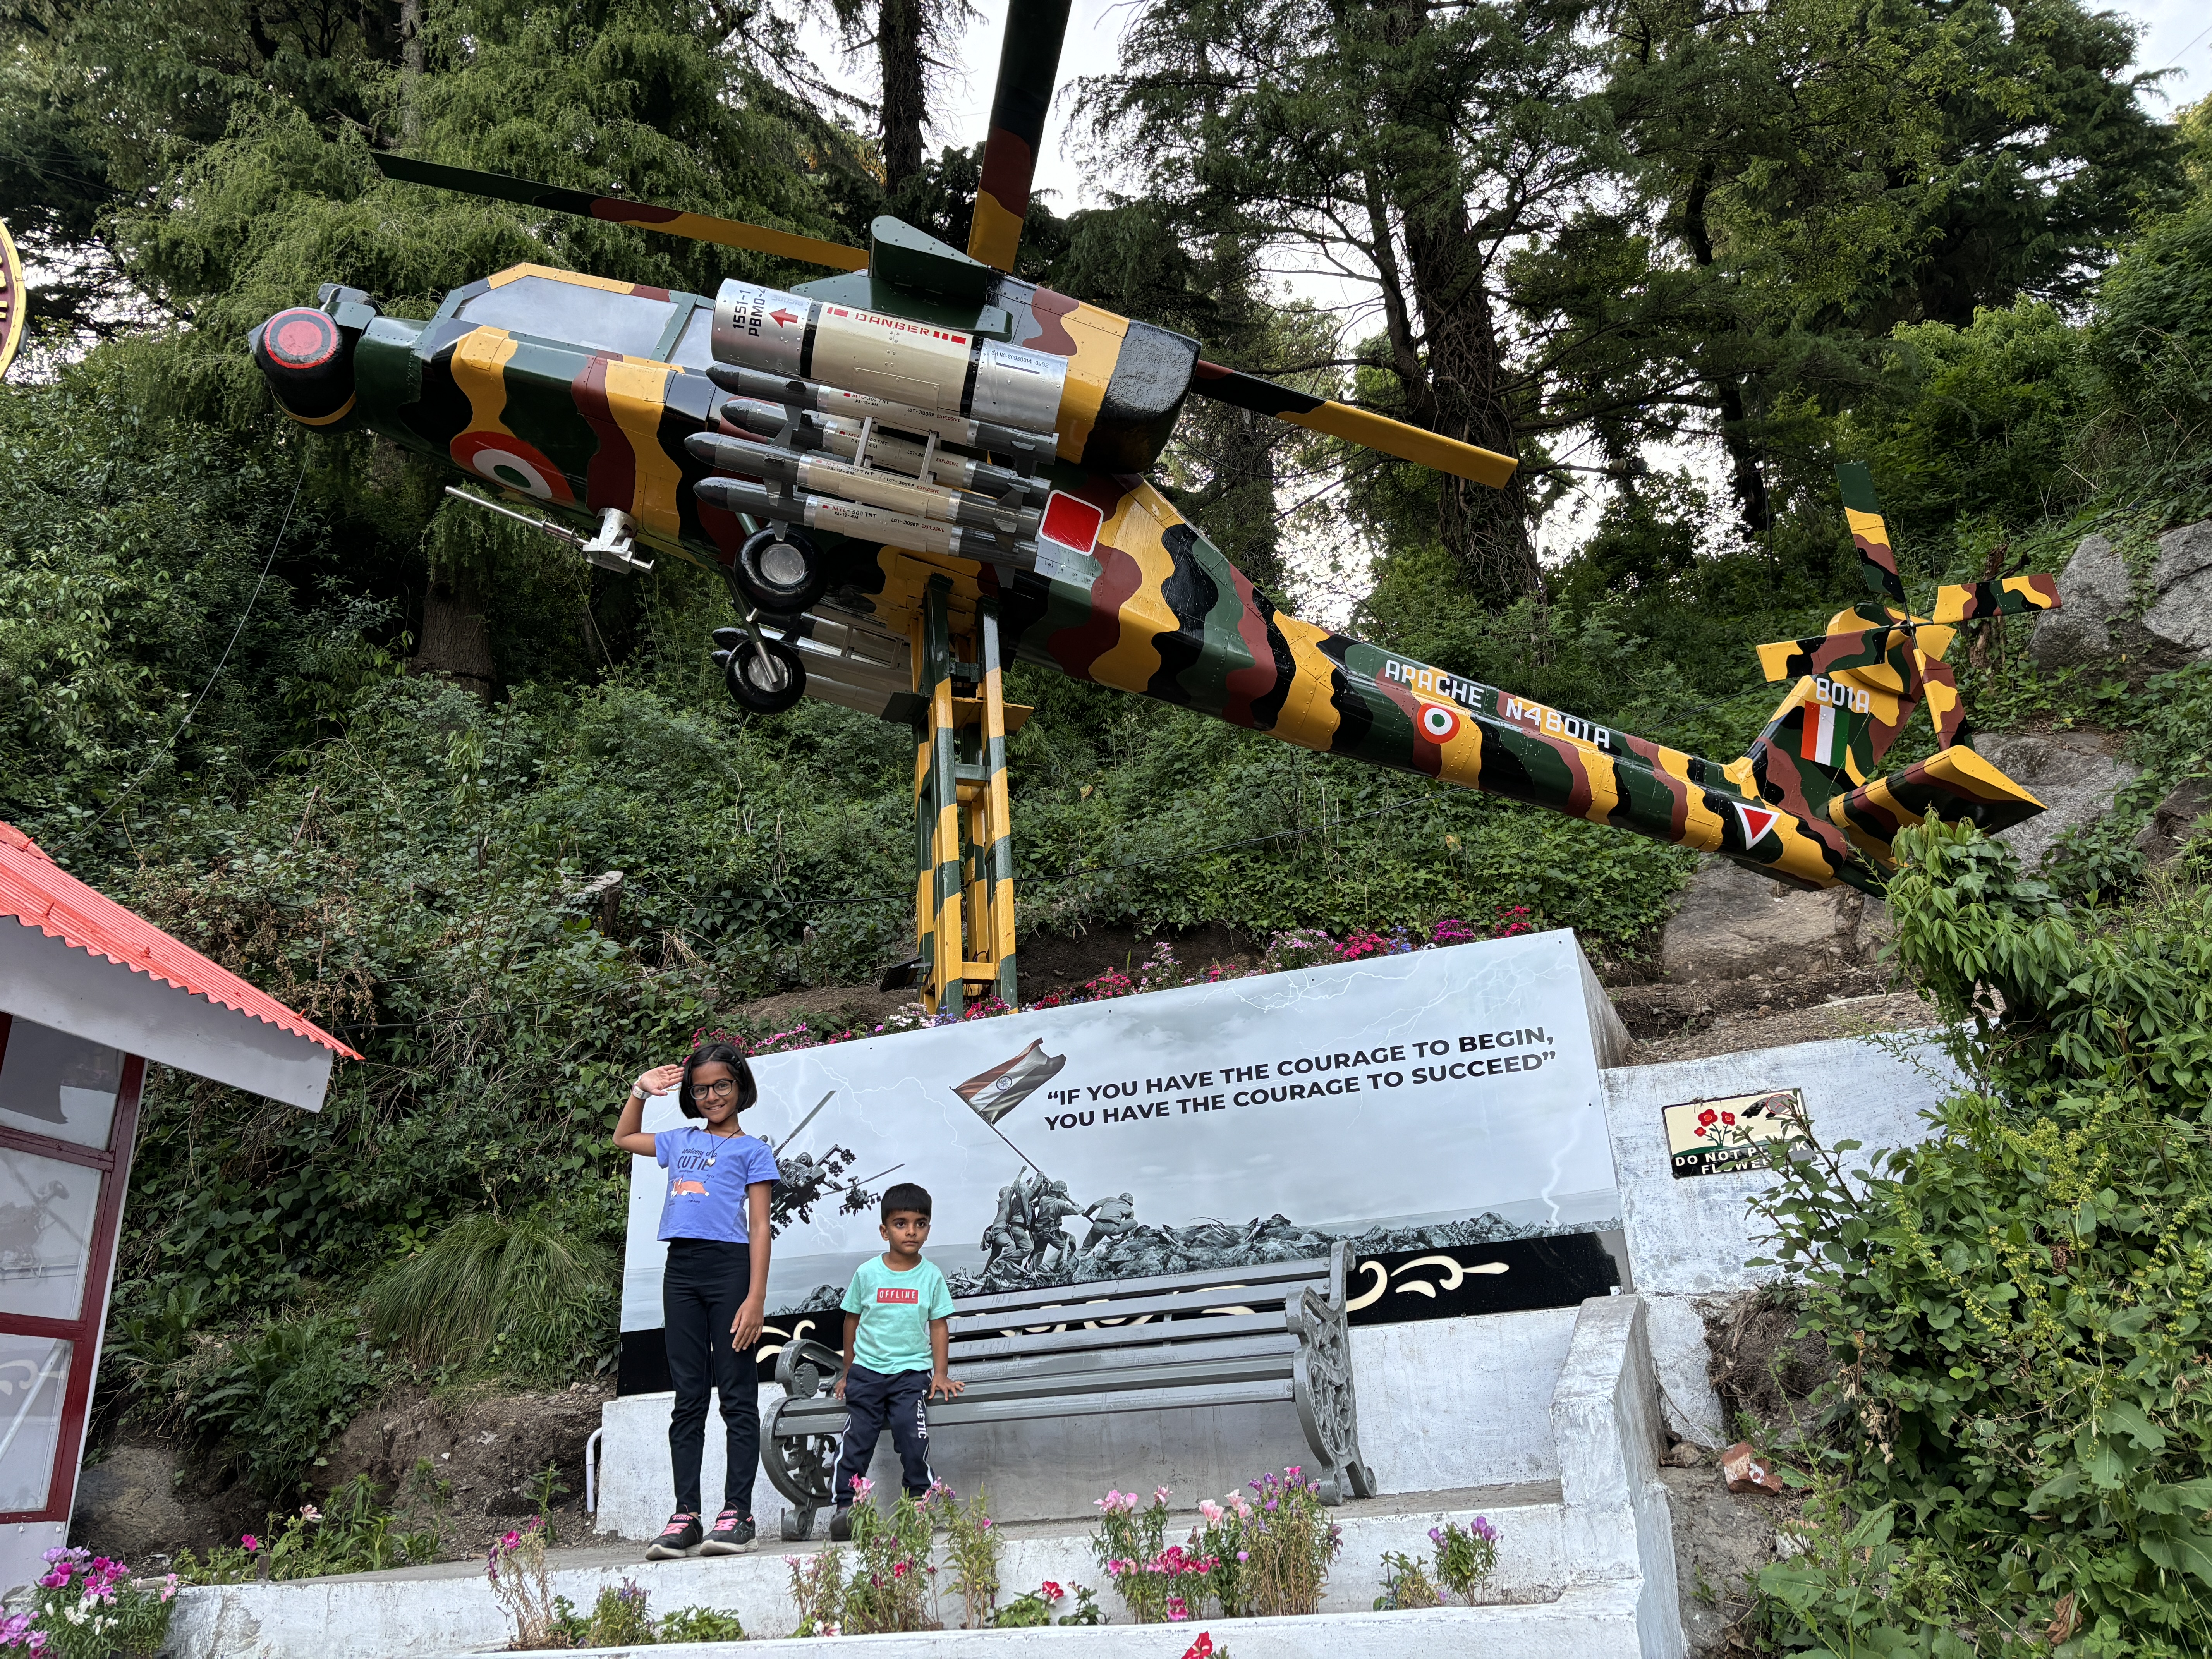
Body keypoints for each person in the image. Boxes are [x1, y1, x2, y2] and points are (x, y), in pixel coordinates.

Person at [613, 1042, 779, 1560]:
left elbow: (759, 1229)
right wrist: (640, 1089)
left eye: (721, 1085)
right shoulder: (681, 1140)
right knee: (688, 1397)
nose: (712, 1096)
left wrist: (755, 1299)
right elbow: (624, 1137)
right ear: (691, 1093)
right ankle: (686, 1515)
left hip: (730, 1272)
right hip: (680, 1271)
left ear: (740, 1087)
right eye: (701, 1088)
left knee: (735, 1392)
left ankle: (738, 1513)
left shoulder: (753, 1151)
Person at [826, 1183, 963, 1540]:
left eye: (920, 1223)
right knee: (857, 1438)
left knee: (913, 1436)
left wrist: (941, 1374)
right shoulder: (868, 1274)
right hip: (867, 1374)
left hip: (910, 1377)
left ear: (928, 1229)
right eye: (901, 1224)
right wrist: (847, 1372)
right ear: (885, 1230)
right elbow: (852, 1322)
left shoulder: (931, 1276)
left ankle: (919, 1502)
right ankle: (846, 1506)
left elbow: (938, 1326)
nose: (911, 1231)